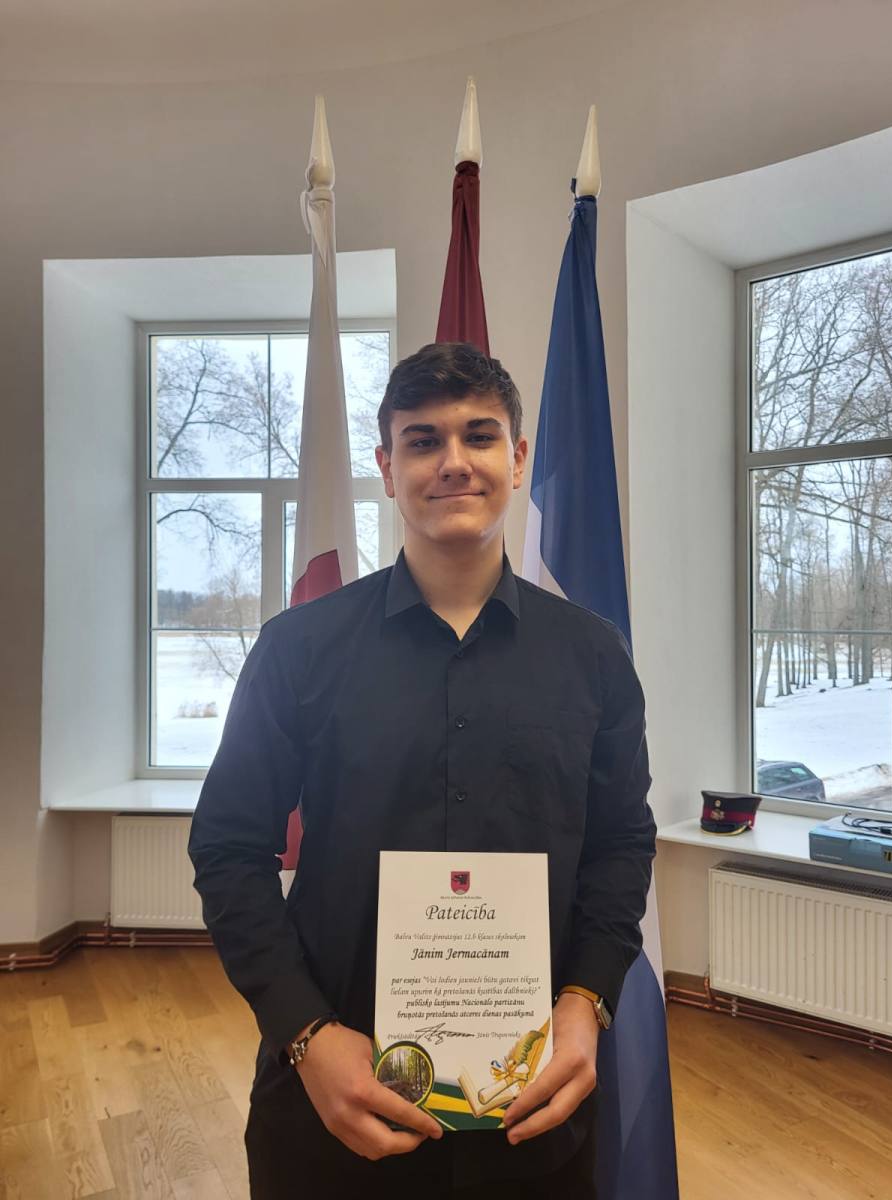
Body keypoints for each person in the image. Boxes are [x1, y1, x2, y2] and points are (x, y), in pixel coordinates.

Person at [188, 341, 657, 1199]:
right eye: (422, 440)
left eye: (480, 435)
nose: (453, 461)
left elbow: (622, 844)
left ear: (518, 458)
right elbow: (227, 849)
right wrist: (305, 1034)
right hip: (331, 1112)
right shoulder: (298, 649)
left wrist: (587, 1001)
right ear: (386, 467)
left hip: (532, 1118)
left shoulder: (594, 655)